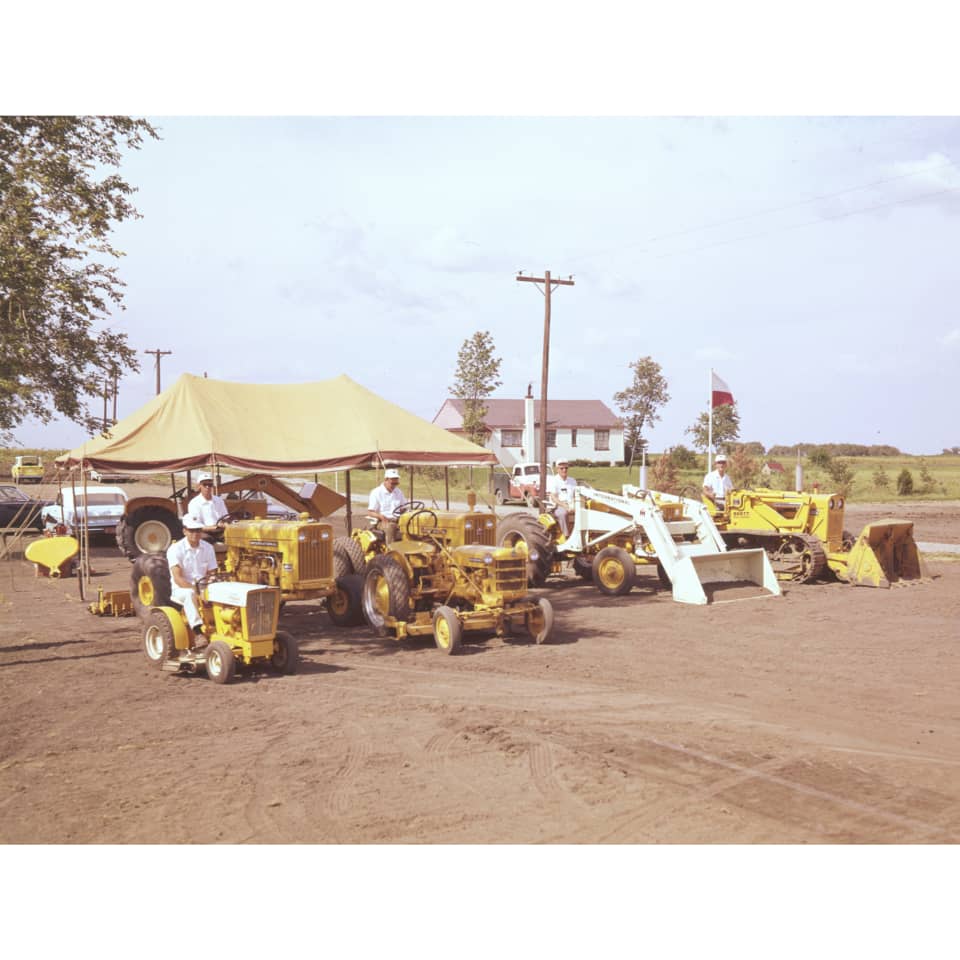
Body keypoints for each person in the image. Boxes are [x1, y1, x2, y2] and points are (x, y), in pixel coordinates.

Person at [166, 514, 219, 647]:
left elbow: (212, 572)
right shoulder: (175, 549)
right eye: (191, 530)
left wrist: (208, 588)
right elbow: (178, 578)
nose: (195, 533)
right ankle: (198, 632)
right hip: (181, 589)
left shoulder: (208, 548)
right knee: (190, 595)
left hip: (203, 586)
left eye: (198, 530)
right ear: (184, 531)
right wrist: (197, 592)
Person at [367, 468, 406, 543]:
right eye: (392, 483)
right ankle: (391, 549)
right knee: (391, 527)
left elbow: (403, 508)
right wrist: (381, 517)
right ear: (386, 480)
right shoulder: (376, 492)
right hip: (383, 522)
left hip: (398, 520)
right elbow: (370, 512)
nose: (394, 486)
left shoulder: (399, 492)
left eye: (396, 483)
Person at [547, 459, 578, 537]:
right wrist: (565, 506)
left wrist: (574, 505)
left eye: (566, 468)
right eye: (561, 468)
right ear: (557, 469)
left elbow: (575, 495)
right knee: (563, 513)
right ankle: (566, 536)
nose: (564, 470)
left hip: (571, 504)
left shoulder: (572, 480)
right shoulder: (553, 480)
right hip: (558, 506)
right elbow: (553, 497)